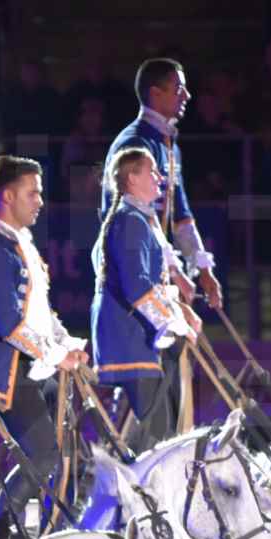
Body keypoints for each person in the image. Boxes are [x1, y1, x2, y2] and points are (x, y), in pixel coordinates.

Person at [0, 155, 89, 539]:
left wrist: (66, 343)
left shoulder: (20, 245)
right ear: (7, 195)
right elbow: (9, 324)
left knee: (71, 447)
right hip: (4, 371)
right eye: (33, 192)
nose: (40, 201)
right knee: (44, 451)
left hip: (30, 366)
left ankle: (58, 525)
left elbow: (39, 313)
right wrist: (56, 355)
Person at [92, 147, 200, 455]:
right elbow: (138, 287)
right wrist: (174, 324)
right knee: (160, 434)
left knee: (158, 430)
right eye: (152, 171)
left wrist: (178, 311)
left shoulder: (133, 218)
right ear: (132, 178)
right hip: (132, 342)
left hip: (137, 340)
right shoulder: (130, 221)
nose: (160, 178)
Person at [101, 58, 222, 312]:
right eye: (179, 89)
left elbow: (181, 214)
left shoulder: (168, 145)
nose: (187, 96)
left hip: (154, 270)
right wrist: (175, 271)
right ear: (155, 94)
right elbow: (137, 216)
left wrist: (203, 270)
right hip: (131, 277)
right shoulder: (135, 144)